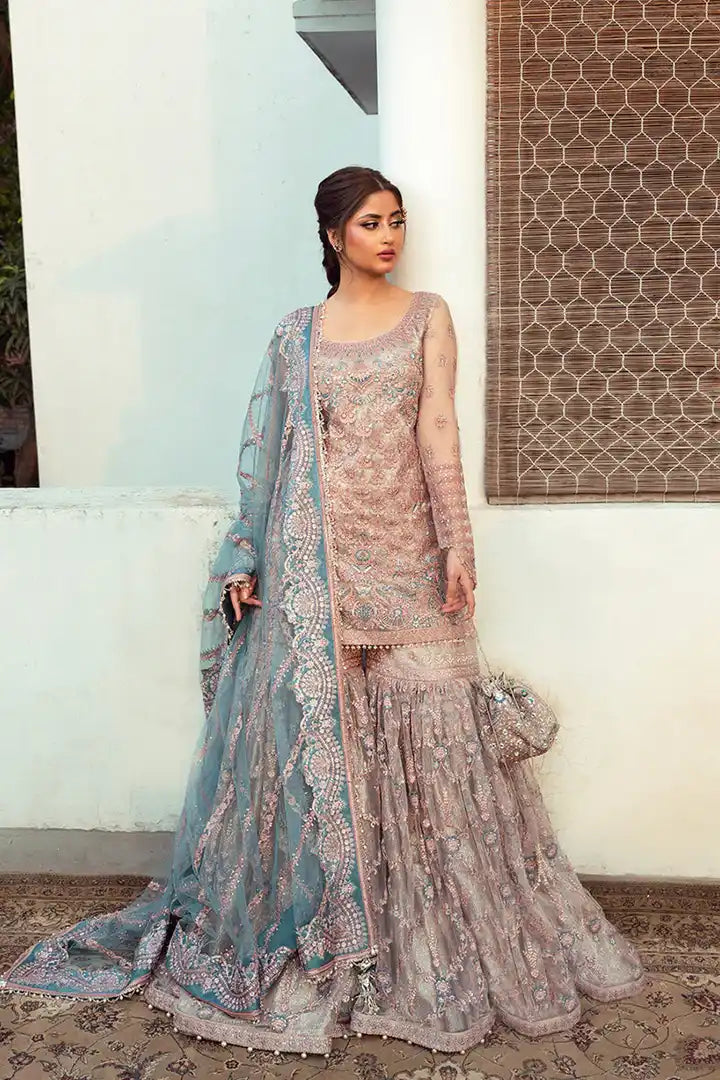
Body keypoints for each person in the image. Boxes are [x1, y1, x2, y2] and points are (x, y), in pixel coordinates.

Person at [0, 166, 645, 1055]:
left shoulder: (428, 316)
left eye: (398, 221)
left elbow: (438, 431)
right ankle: (344, 940)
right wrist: (248, 554)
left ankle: (432, 942)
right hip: (319, 570)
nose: (390, 236)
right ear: (335, 235)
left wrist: (457, 544)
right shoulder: (295, 335)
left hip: (410, 564)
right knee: (325, 753)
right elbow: (268, 458)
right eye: (372, 223)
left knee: (437, 748)